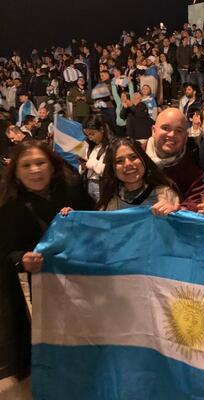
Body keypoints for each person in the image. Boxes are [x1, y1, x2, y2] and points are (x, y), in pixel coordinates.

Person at [0, 140, 92, 399]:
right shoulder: (8, 203)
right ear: (16, 172)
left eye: (40, 162)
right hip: (42, 285)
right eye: (26, 165)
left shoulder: (74, 189)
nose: (35, 170)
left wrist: (78, 220)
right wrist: (21, 259)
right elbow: (5, 251)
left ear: (52, 166)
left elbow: (97, 225)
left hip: (83, 278)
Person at [144, 107, 204, 211]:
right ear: (153, 131)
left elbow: (197, 202)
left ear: (186, 138)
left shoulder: (193, 170)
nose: (172, 134)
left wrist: (178, 208)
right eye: (165, 128)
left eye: (179, 131)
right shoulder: (135, 157)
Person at [97, 137, 180, 214]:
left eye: (133, 157)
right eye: (119, 161)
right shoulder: (109, 203)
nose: (128, 164)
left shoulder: (165, 195)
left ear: (143, 159)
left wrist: (174, 212)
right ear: (112, 168)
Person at [81, 115, 112, 202]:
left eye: (92, 134)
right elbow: (82, 168)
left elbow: (104, 170)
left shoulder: (110, 146)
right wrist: (83, 166)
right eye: (87, 135)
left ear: (101, 129)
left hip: (101, 185)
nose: (90, 138)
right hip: (88, 184)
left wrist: (89, 163)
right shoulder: (89, 145)